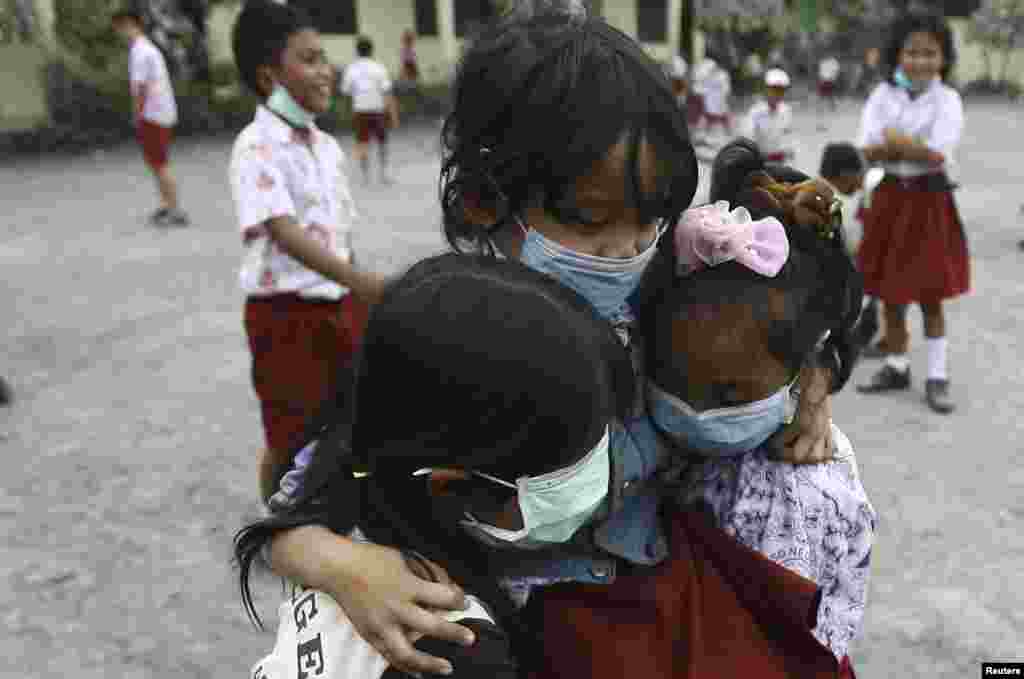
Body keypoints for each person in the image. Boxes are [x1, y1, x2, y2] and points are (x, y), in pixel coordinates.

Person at [258, 7, 840, 677]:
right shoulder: (438, 336)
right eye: (593, 226)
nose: (627, 251)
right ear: (484, 199)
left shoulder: (661, 282)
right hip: (514, 616)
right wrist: (346, 565)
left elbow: (799, 318)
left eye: (650, 221)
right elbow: (293, 511)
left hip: (648, 592)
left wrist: (814, 384)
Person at [237, 252, 641, 678]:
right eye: (572, 465)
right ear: (449, 485)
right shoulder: (454, 649)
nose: (604, 470)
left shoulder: (352, 487)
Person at [635, 139, 875, 668]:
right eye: (673, 381)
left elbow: (794, 639)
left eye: (729, 394)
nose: (693, 412)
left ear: (799, 376)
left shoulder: (808, 492)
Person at [229, 0, 384, 501]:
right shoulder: (256, 145)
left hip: (342, 305)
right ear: (270, 76)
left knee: (352, 419)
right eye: (311, 59)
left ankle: (350, 508)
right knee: (289, 435)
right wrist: (363, 283)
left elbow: (338, 233)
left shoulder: (326, 146)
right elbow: (282, 229)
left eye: (325, 57)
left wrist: (359, 293)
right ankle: (277, 524)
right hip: (284, 314)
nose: (326, 70)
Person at [854, 11, 968, 414]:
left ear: (944, 58)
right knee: (889, 293)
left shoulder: (948, 100)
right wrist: (908, 146)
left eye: (930, 53)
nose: (920, 61)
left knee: (931, 294)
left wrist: (894, 141)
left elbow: (938, 154)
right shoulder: (882, 96)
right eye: (911, 52)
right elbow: (866, 149)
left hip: (929, 201)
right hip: (890, 198)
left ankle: (937, 375)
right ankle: (896, 364)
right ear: (896, 55)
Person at [111, 6, 190, 227]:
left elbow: (140, 88)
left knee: (159, 163)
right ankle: (167, 204)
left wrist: (136, 115)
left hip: (152, 114)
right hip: (160, 112)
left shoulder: (140, 51)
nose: (119, 33)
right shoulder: (147, 49)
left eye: (120, 28)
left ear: (130, 25)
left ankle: (174, 208)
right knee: (156, 162)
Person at [819, 142, 884, 350]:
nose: (839, 190)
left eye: (837, 183)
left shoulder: (876, 183)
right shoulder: (870, 184)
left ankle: (872, 328)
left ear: (847, 173)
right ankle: (875, 329)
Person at [341, 36, 400, 185]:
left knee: (362, 142)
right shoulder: (378, 67)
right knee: (382, 142)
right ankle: (384, 174)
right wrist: (393, 114)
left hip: (360, 110)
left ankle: (365, 176)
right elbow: (387, 92)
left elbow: (345, 90)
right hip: (377, 110)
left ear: (357, 51)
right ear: (371, 50)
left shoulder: (351, 68)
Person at [741, 68, 795, 163]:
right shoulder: (755, 112)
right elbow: (748, 140)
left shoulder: (786, 111)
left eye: (781, 90)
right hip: (761, 162)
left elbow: (788, 139)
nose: (777, 94)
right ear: (766, 90)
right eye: (774, 90)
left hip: (780, 161)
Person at [693, 55, 732, 144]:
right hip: (711, 102)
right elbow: (701, 87)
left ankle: (729, 135)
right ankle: (702, 136)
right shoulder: (708, 74)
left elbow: (726, 89)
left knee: (723, 118)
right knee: (708, 118)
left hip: (719, 101)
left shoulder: (722, 75)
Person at [818, 54, 841, 124]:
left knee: (831, 95)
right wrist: (821, 79)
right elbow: (821, 71)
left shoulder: (833, 61)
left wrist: (834, 78)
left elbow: (836, 71)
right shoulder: (823, 61)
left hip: (830, 80)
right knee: (823, 96)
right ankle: (824, 107)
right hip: (824, 80)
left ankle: (833, 107)